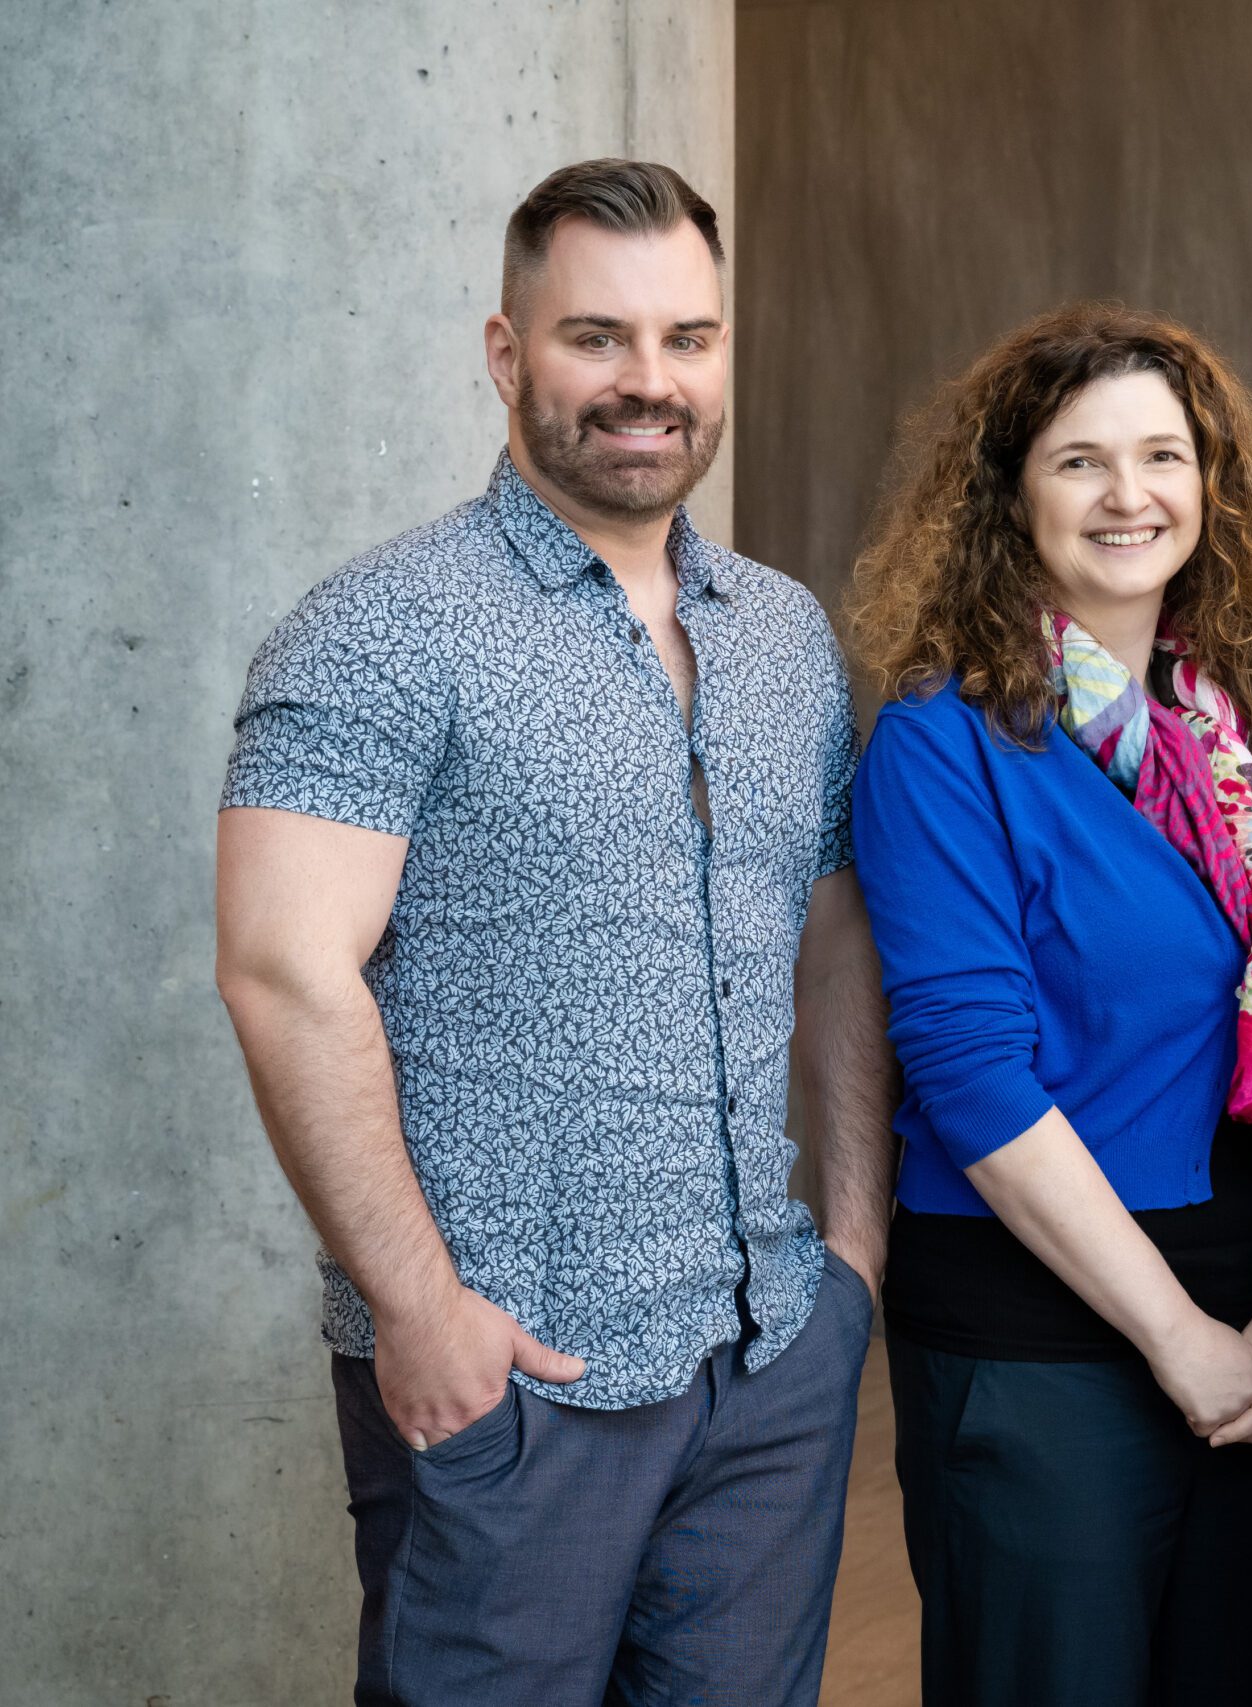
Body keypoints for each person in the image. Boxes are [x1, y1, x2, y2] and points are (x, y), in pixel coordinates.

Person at [213, 159, 894, 1703]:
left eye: (687, 338)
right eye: (597, 337)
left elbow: (835, 936)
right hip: (513, 1384)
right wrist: (419, 1312)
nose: (650, 382)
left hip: (766, 1361)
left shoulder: (784, 637)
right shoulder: (381, 627)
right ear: (507, 352)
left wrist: (852, 1254)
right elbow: (280, 970)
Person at [844, 301, 1252, 1706]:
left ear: (1211, 484)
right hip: (1043, 1343)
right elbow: (971, 1077)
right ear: (1009, 496)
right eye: (1079, 461)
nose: (1130, 495)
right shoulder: (941, 744)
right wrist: (1176, 1337)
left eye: (1162, 456)